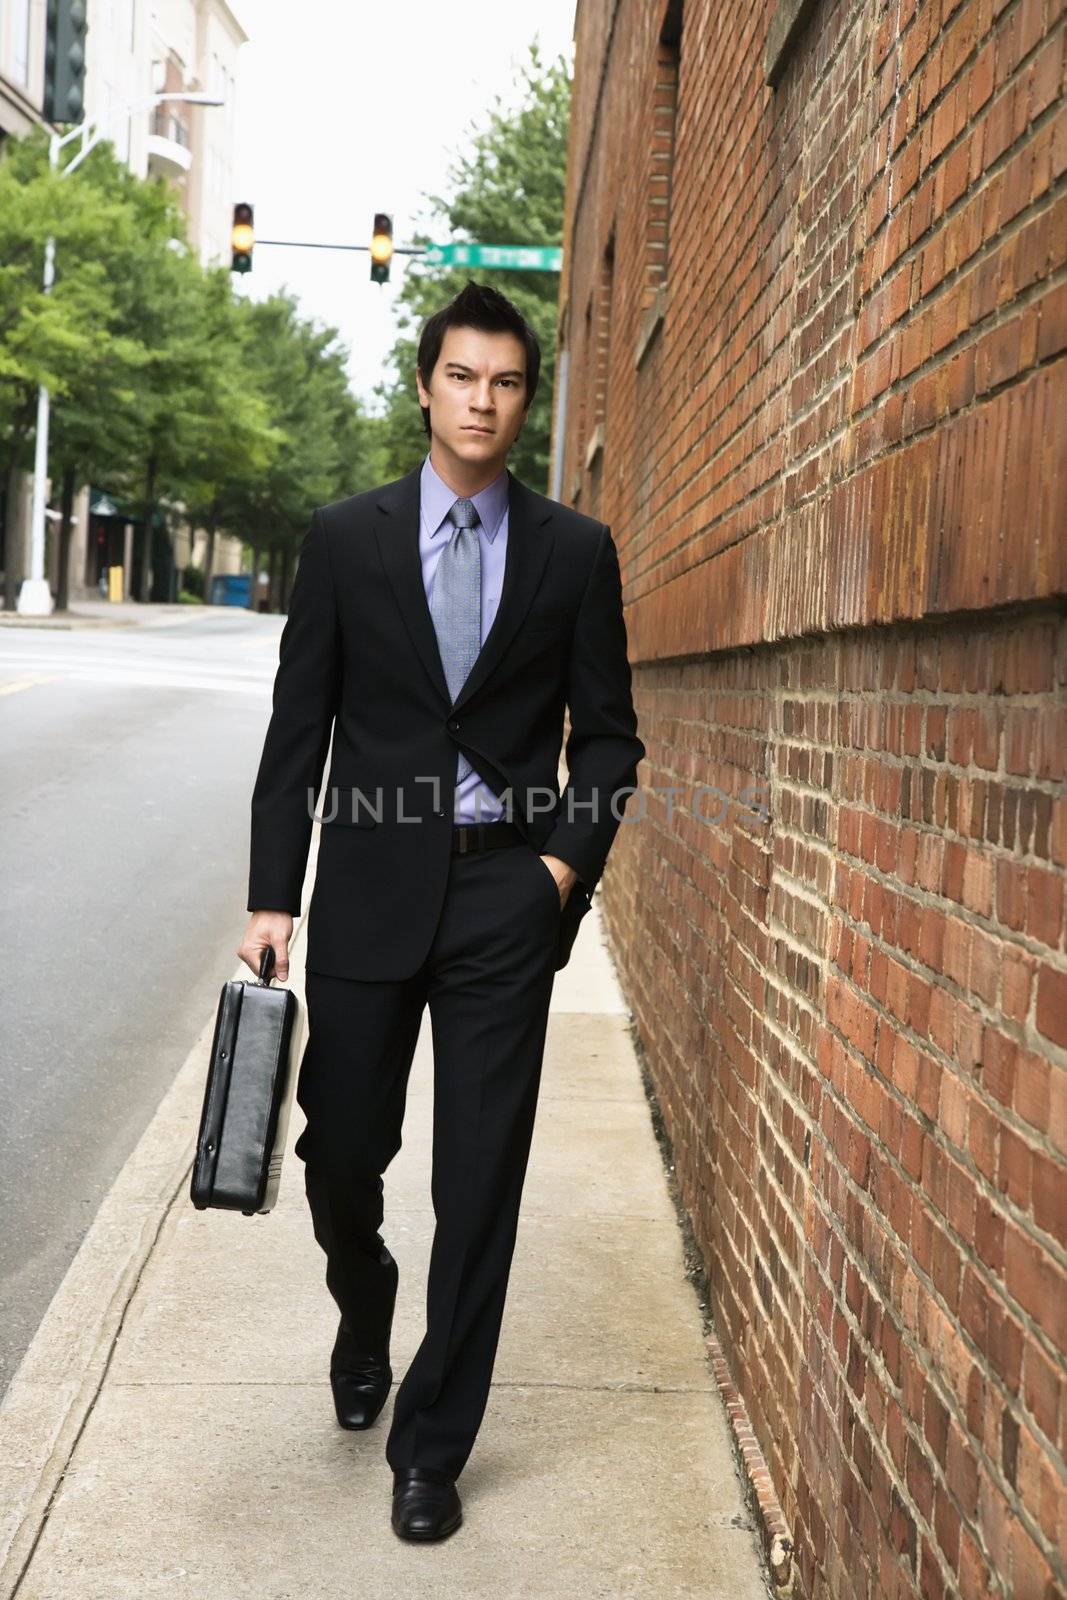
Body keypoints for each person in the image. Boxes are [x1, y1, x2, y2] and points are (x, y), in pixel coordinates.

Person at [237, 280, 644, 1542]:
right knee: (337, 1155)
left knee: (480, 1184)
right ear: (425, 388)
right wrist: (270, 896)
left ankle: (431, 1444)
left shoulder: (574, 552)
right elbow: (298, 729)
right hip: (362, 890)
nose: (481, 400)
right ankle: (364, 1301)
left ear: (526, 398)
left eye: (506, 381)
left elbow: (613, 742)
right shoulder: (346, 539)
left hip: (499, 904)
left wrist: (557, 878)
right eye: (461, 377)